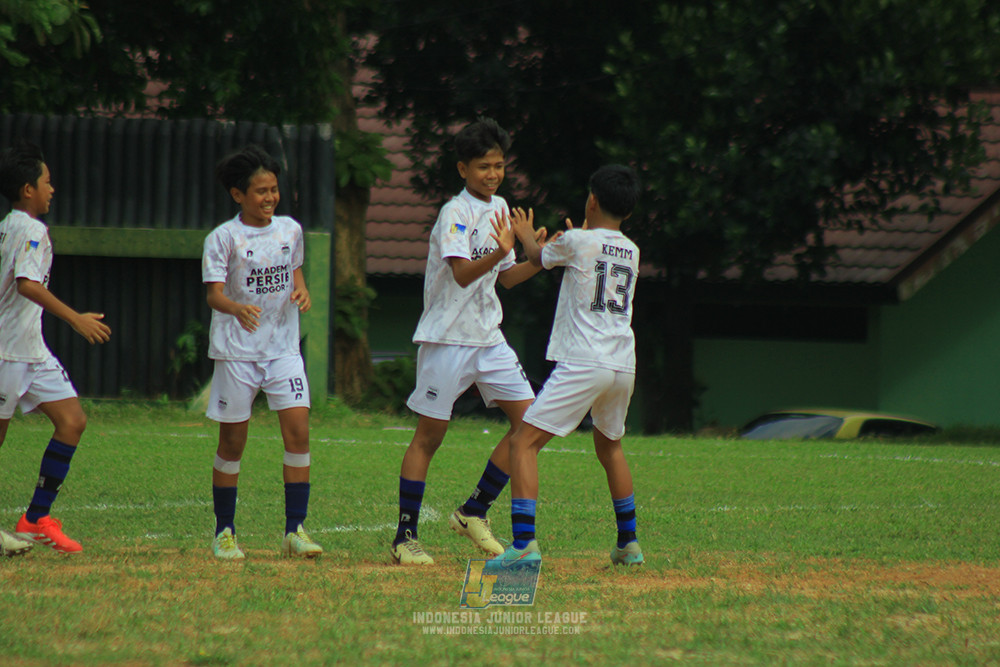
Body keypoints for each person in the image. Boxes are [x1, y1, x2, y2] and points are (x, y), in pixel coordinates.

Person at [390, 117, 549, 565]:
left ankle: (473, 510)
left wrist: (540, 258)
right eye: (483, 166)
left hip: (487, 337)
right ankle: (404, 537)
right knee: (430, 436)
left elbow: (507, 279)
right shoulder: (454, 213)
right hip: (447, 338)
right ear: (463, 169)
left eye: (499, 165)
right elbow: (461, 274)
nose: (493, 174)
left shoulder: (501, 208)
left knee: (531, 423)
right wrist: (501, 249)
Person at [492, 164, 645, 566]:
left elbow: (537, 257)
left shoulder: (578, 240)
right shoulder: (632, 250)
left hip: (585, 359)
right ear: (628, 211)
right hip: (622, 362)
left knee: (523, 442)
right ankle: (629, 543)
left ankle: (524, 544)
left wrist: (526, 234)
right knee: (611, 447)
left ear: (592, 200)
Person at [202, 145, 322, 560]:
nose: (270, 198)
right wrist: (236, 308)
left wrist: (301, 290)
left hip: (283, 349)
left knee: (299, 432)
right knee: (233, 443)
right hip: (237, 353)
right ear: (238, 195)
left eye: (273, 190)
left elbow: (294, 271)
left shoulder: (290, 230)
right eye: (260, 191)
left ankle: (295, 531)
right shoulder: (223, 238)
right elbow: (214, 295)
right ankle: (224, 532)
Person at [0, 138, 112, 554]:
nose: (52, 188)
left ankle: (35, 519)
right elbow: (28, 285)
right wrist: (76, 319)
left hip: (31, 349)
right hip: (6, 352)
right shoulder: (31, 229)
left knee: (72, 420)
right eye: (46, 182)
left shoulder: (8, 226)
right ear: (28, 189)